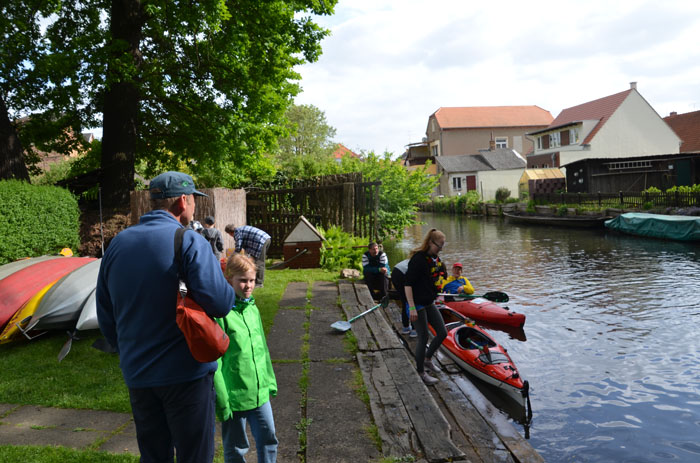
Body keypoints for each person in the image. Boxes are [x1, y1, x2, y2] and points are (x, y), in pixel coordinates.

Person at [96, 171, 237, 463]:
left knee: (154, 456)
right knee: (194, 456)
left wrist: (128, 350)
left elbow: (105, 313)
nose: (195, 207)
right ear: (183, 201)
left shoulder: (118, 244)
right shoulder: (188, 241)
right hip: (186, 374)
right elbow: (222, 303)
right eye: (194, 201)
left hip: (138, 375)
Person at [215, 252, 278, 463]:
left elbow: (262, 350)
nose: (248, 285)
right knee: (236, 448)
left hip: (260, 393)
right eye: (242, 281)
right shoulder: (221, 314)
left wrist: (269, 380)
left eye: (251, 280)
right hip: (235, 398)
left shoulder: (253, 309)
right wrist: (223, 399)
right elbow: (216, 361)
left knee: (269, 439)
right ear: (228, 279)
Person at [404, 228, 449, 386]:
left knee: (442, 332)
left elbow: (434, 280)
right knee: (423, 337)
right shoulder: (418, 259)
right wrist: (411, 308)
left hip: (429, 301)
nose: (441, 249)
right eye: (439, 245)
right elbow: (408, 284)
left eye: (443, 246)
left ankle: (428, 359)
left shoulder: (434, 259)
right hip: (416, 303)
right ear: (430, 243)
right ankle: (421, 372)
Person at [390, 258, 417, 337]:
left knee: (405, 301)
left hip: (395, 272)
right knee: (413, 301)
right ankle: (414, 329)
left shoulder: (414, 258)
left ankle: (406, 327)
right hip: (402, 275)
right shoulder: (423, 263)